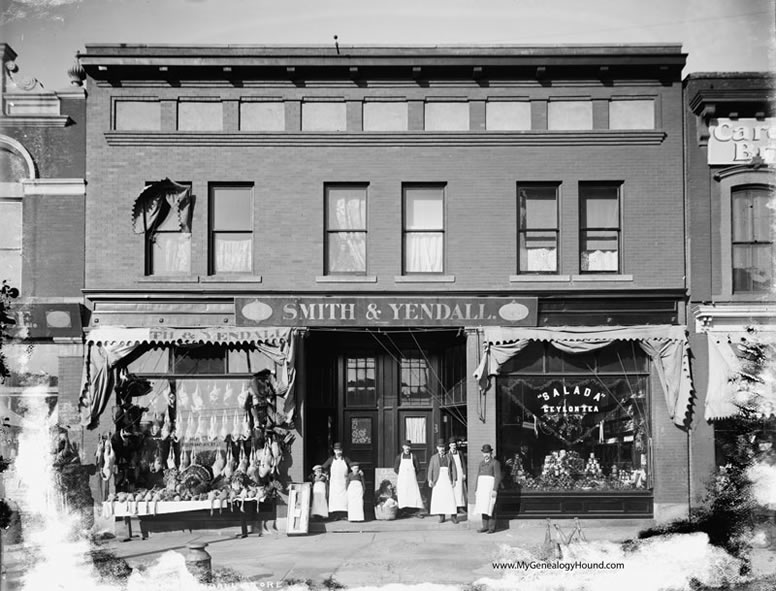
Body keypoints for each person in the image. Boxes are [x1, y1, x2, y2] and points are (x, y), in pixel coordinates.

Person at [427, 438, 458, 523]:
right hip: (438, 480)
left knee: (450, 497)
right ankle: (442, 516)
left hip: (447, 479)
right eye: (440, 447)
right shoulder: (433, 458)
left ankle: (453, 516)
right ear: (437, 448)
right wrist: (430, 480)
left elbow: (453, 468)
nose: (442, 449)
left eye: (443, 447)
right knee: (440, 498)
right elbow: (430, 469)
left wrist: (454, 479)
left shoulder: (449, 456)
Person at [474, 444, 502, 534]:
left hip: (490, 488)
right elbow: (478, 476)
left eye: (488, 453)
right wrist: (476, 489)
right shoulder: (481, 463)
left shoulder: (495, 463)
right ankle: (484, 526)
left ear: (491, 453)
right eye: (484, 453)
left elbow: (498, 476)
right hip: (482, 488)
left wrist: (495, 489)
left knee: (491, 507)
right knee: (483, 506)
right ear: (482, 453)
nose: (486, 455)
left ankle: (491, 527)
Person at [393, 440, 425, 518]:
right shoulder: (399, 457)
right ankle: (403, 511)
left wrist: (412, 475)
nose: (407, 448)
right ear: (403, 447)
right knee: (403, 495)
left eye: (409, 446)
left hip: (411, 480)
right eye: (406, 446)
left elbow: (418, 468)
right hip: (402, 480)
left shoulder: (413, 457)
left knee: (414, 494)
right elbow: (396, 469)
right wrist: (402, 475)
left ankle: (416, 512)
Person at [322, 442, 350, 520]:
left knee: (344, 499)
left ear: (342, 450)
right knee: (334, 498)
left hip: (344, 482)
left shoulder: (346, 459)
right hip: (334, 482)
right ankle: (335, 515)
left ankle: (343, 515)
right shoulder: (331, 459)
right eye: (337, 450)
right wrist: (325, 474)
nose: (338, 452)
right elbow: (323, 467)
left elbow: (353, 466)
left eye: (340, 450)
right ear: (334, 451)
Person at [447, 436, 467, 515]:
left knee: (460, 490)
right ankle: (452, 506)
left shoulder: (460, 453)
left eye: (454, 445)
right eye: (452, 445)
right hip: (451, 474)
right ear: (449, 446)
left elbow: (463, 464)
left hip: (459, 473)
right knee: (452, 490)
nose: (453, 447)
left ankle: (460, 507)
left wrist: (464, 473)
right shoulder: (447, 454)